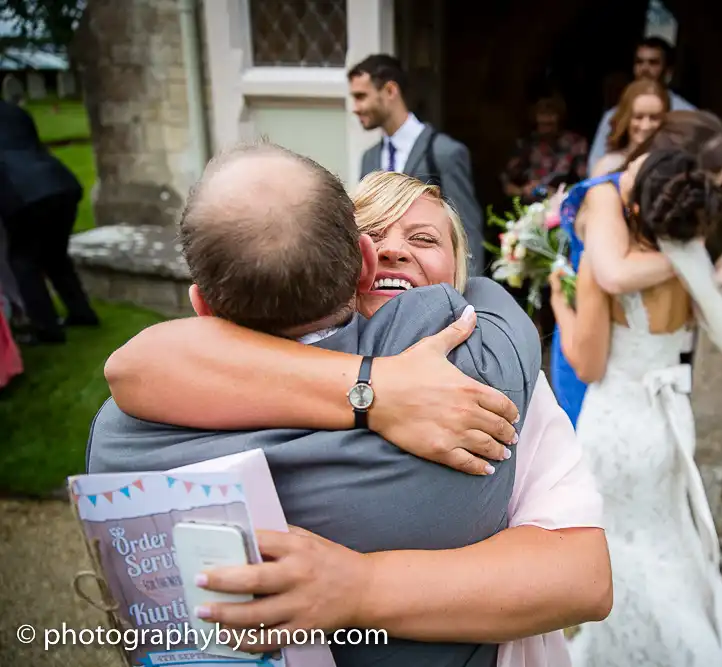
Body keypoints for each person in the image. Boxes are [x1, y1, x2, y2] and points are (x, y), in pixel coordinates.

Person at [91, 150, 611, 666]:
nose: (395, 251)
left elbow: (582, 578)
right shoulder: (194, 377)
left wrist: (361, 589)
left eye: (424, 238)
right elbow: (140, 364)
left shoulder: (490, 385)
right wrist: (374, 389)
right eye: (375, 235)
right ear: (356, 263)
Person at [549, 147, 722, 667]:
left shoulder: (605, 275)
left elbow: (588, 366)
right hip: (670, 425)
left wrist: (561, 303)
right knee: (666, 544)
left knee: (622, 555)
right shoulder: (691, 267)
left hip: (620, 425)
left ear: (639, 208)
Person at [550, 110, 722, 426]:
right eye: (703, 184)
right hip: (589, 336)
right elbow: (613, 274)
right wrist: (692, 262)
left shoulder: (681, 215)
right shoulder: (607, 195)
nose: (700, 199)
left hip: (644, 369)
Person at [351, 54, 486, 275]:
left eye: (361, 96)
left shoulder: (444, 152)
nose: (355, 107)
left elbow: (467, 232)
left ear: (390, 90)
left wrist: (466, 298)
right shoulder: (369, 158)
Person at [0, 98, 99, 344]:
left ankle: (46, 328)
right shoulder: (13, 111)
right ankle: (82, 313)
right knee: (55, 256)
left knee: (23, 261)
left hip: (22, 193)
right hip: (59, 182)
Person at [587, 36, 695, 174]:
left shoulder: (687, 114)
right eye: (639, 62)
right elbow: (594, 165)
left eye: (653, 63)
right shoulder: (613, 115)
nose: (645, 68)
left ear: (668, 70)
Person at [500, 94, 589, 205]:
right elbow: (505, 182)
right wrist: (522, 191)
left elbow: (586, 183)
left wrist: (555, 193)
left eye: (550, 122)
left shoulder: (576, 143)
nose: (546, 128)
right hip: (529, 207)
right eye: (542, 122)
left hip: (563, 204)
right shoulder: (526, 144)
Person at [590, 79, 669, 177]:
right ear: (625, 119)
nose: (646, 126)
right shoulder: (608, 166)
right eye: (638, 117)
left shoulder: (672, 164)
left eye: (654, 118)